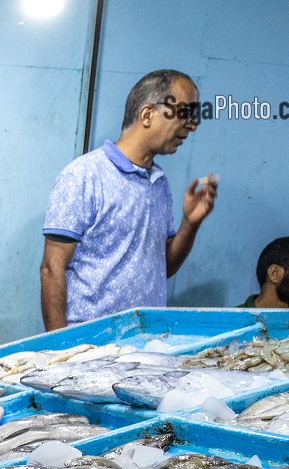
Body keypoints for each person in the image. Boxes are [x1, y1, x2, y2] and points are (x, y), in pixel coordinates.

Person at [40, 69, 218, 330]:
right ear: (147, 114)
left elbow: (164, 267)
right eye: (186, 112)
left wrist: (190, 224)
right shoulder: (84, 176)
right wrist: (61, 349)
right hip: (90, 345)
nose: (192, 125)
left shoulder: (159, 183)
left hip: (146, 340)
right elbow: (51, 269)